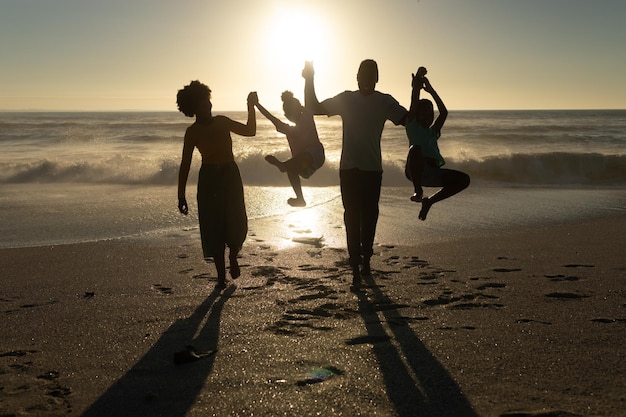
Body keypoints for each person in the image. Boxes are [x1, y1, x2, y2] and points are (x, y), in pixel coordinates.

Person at [302, 60, 408, 289]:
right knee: (351, 216)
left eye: (371, 74)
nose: (366, 78)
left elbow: (409, 120)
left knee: (369, 217)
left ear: (376, 78)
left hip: (372, 169)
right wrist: (309, 79)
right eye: (362, 74)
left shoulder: (384, 101)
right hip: (349, 169)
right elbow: (314, 106)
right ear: (357, 76)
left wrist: (417, 89)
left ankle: (366, 260)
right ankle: (354, 266)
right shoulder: (347, 99)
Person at [176, 80, 257, 287]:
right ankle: (221, 278)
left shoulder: (222, 121)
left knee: (236, 220)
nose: (208, 107)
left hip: (230, 175)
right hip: (209, 179)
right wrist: (181, 195)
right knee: (213, 227)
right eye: (203, 104)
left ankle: (233, 256)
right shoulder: (192, 132)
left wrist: (250, 106)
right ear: (193, 109)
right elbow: (185, 164)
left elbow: (250, 131)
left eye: (208, 102)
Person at [405, 67, 470, 221]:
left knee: (464, 180)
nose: (427, 116)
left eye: (430, 113)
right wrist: (416, 88)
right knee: (415, 149)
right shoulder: (412, 125)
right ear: (417, 115)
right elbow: (414, 103)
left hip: (433, 173)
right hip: (416, 172)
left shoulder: (433, 132)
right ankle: (418, 191)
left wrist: (431, 89)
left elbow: (444, 112)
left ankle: (429, 202)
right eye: (423, 113)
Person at [254, 90, 325, 207]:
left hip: (316, 155)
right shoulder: (288, 130)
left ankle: (284, 166)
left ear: (300, 108)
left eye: (292, 111)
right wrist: (257, 104)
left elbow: (309, 99)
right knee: (292, 168)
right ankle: (300, 199)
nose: (290, 115)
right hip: (305, 165)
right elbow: (272, 119)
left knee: (299, 158)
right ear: (286, 116)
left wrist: (307, 78)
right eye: (287, 113)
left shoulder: (307, 116)